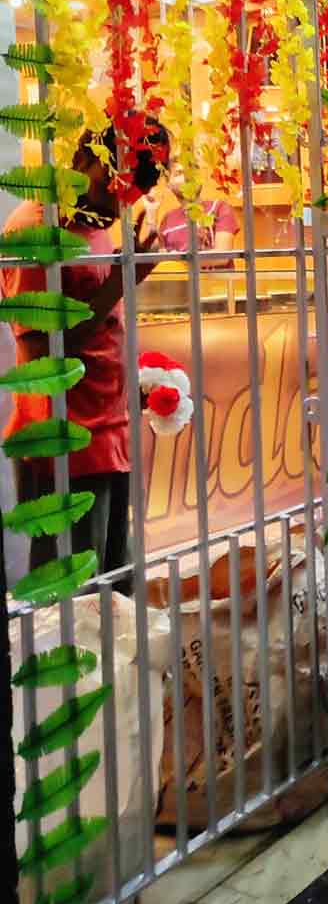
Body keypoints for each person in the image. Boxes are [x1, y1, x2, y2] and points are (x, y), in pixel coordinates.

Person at [1, 119, 170, 579]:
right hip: (62, 445)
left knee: (116, 590)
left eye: (130, 191)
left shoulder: (93, 224)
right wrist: (120, 284)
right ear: (81, 161)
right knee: (75, 606)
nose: (118, 202)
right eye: (109, 185)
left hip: (107, 434)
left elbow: (97, 329)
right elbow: (40, 358)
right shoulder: (35, 232)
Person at [147, 160, 238, 268]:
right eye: (179, 173)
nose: (188, 177)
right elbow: (152, 260)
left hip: (215, 284)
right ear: (168, 184)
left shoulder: (219, 207)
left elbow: (222, 256)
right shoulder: (168, 218)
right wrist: (151, 215)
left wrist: (179, 259)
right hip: (179, 284)